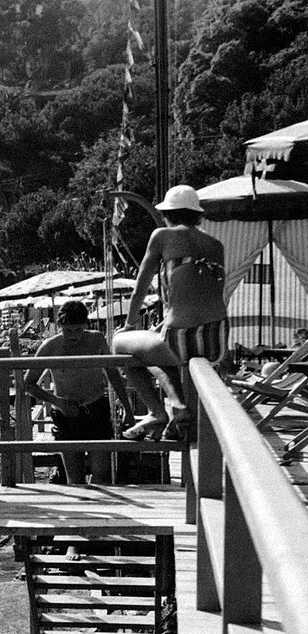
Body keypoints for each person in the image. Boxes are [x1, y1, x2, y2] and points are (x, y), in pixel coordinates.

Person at [114, 184, 228, 440]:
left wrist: (130, 325)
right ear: (197, 215)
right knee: (158, 347)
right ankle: (176, 406)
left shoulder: (161, 236)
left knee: (120, 346)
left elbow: (139, 289)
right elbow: (205, 293)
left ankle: (158, 411)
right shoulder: (216, 245)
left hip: (180, 339)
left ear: (168, 214)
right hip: (216, 341)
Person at [23, 301, 135, 484]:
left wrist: (128, 410)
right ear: (60, 326)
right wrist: (57, 401)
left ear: (85, 325)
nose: (74, 336)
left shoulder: (97, 340)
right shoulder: (50, 347)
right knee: (75, 478)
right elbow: (28, 384)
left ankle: (103, 504)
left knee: (102, 473)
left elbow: (112, 375)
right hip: (66, 413)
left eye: (78, 330)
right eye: (68, 331)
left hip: (96, 408)